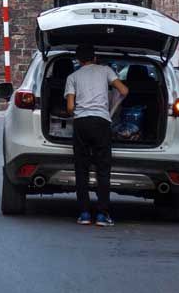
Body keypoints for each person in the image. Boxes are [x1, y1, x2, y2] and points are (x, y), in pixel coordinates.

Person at [65, 42, 129, 227]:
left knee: (81, 169)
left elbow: (70, 106)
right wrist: (111, 110)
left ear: (78, 60)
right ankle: (102, 214)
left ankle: (84, 214)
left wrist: (75, 112)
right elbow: (124, 90)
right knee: (103, 169)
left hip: (81, 123)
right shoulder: (106, 71)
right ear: (94, 58)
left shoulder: (72, 76)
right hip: (102, 122)